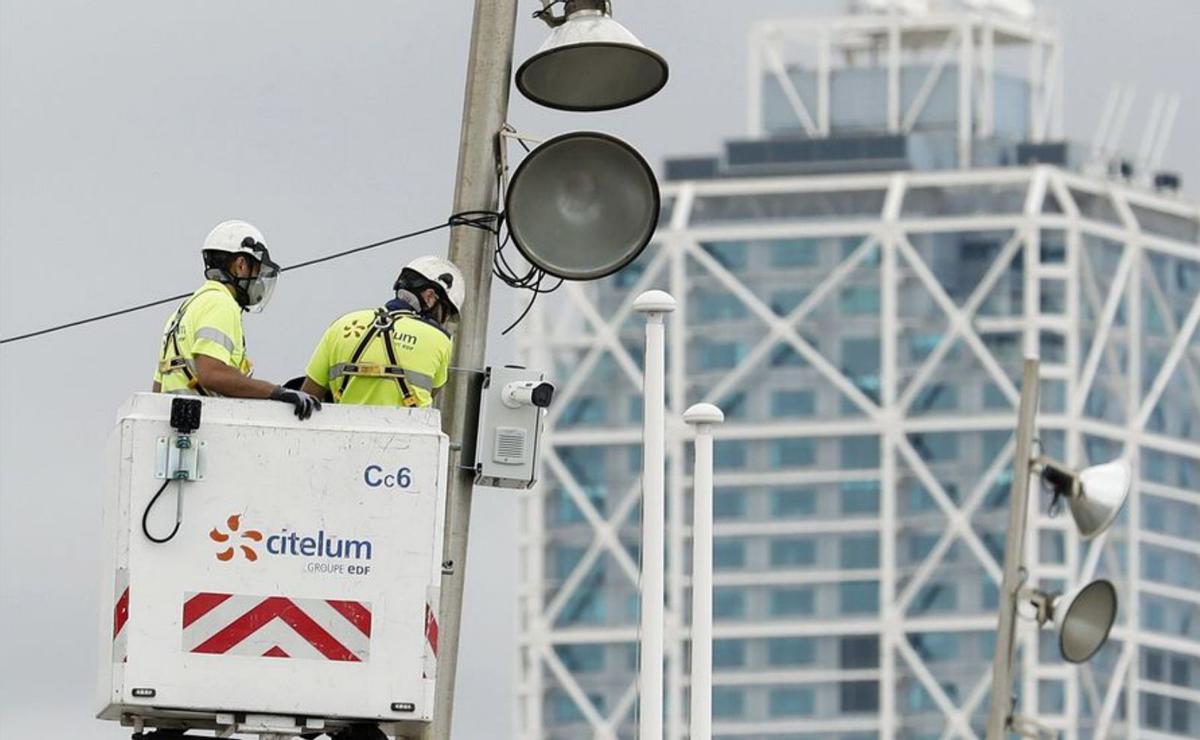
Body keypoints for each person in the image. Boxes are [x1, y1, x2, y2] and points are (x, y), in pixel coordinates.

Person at [153, 220, 321, 420]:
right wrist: (276, 393)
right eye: (257, 270)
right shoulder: (221, 304)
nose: (258, 279)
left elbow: (158, 390)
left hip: (178, 429)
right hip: (206, 429)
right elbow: (212, 374)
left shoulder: (184, 311)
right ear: (241, 265)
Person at [300, 256, 461, 408]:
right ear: (430, 297)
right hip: (407, 436)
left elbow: (307, 397)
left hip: (345, 434)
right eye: (444, 312)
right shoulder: (440, 339)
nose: (443, 321)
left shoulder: (342, 324)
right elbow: (432, 393)